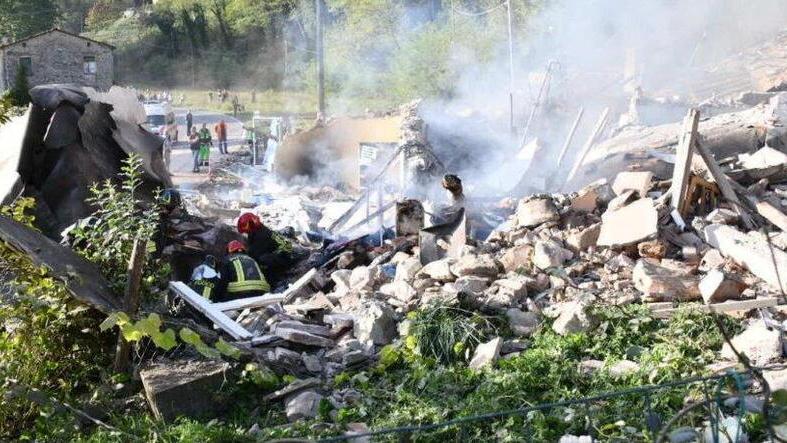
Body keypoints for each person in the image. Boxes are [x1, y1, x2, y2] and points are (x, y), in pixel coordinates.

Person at [236, 212, 302, 289]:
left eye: (246, 229)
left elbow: (254, 254)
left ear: (251, 224)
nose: (246, 232)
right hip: (281, 253)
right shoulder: (257, 231)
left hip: (284, 256)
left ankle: (276, 282)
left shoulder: (261, 234)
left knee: (261, 261)